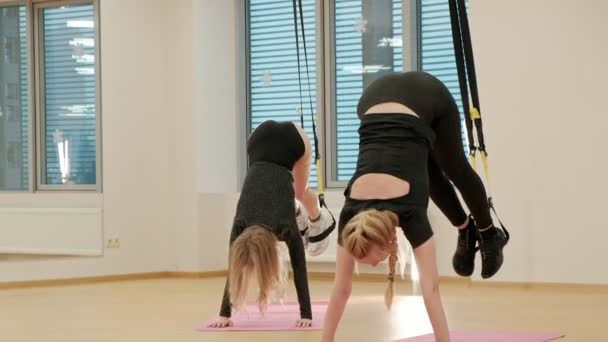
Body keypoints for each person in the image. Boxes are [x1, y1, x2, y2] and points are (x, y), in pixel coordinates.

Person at [320, 71, 509, 342]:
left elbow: (430, 290)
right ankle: (465, 231)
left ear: (387, 242)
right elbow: (341, 290)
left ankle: (489, 233)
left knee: (452, 166)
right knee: (424, 173)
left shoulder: (411, 215)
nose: (373, 267)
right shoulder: (351, 218)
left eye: (371, 261)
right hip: (373, 97)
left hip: (426, 95)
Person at [207, 120, 335, 329]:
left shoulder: (284, 227)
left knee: (299, 192)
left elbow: (299, 266)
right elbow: (234, 268)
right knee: (285, 190)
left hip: (294, 138)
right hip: (258, 135)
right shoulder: (241, 224)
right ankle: (293, 209)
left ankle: (316, 217)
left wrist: (306, 314)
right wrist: (224, 314)